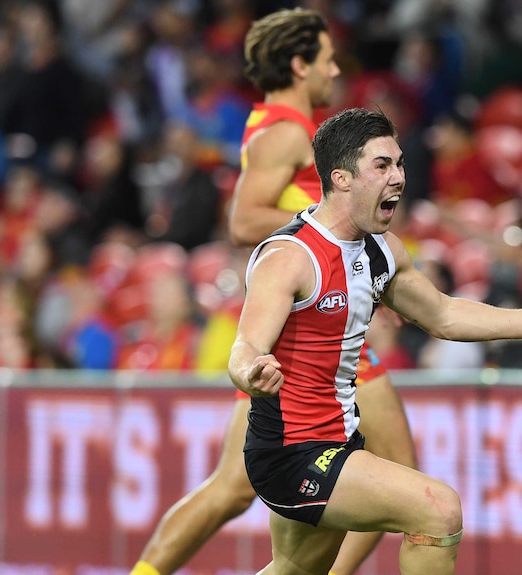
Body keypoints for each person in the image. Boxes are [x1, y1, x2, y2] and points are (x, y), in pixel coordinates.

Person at [230, 107, 522, 575]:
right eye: (382, 165)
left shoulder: (381, 250)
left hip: (338, 439)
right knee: (437, 509)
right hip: (291, 451)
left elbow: (443, 314)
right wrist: (252, 372)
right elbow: (245, 348)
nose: (399, 177)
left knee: (294, 571)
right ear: (342, 178)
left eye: (401, 163)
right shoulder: (290, 256)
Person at [130, 9, 417, 575]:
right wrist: (334, 244)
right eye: (327, 58)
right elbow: (242, 222)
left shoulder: (275, 124)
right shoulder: (286, 130)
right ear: (298, 63)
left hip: (309, 318)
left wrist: (369, 273)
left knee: (235, 488)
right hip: (308, 328)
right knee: (397, 474)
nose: (336, 69)